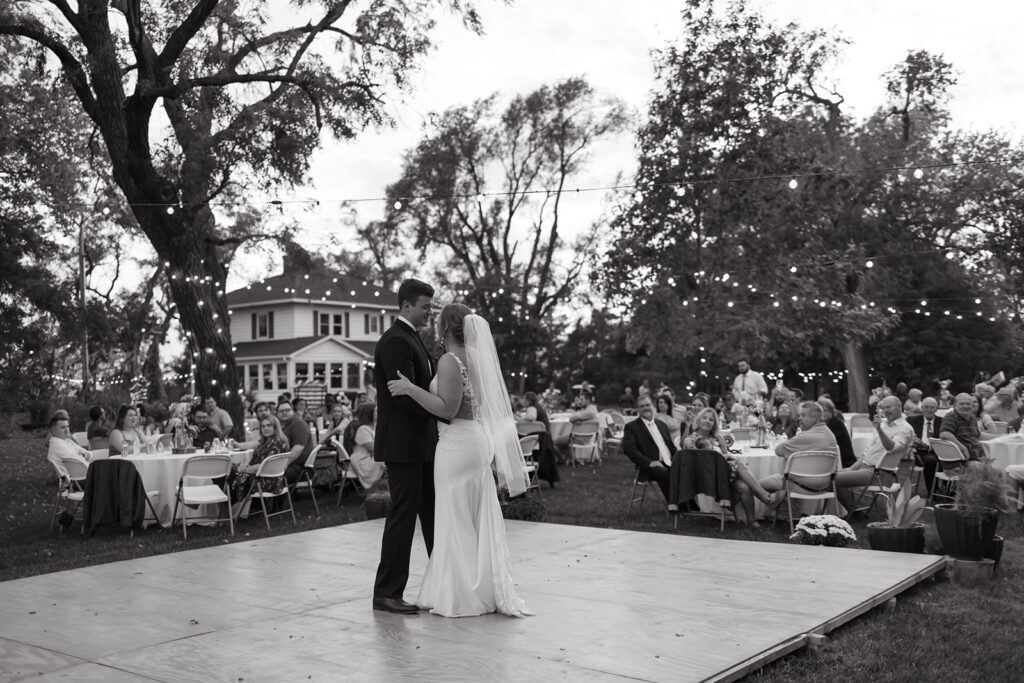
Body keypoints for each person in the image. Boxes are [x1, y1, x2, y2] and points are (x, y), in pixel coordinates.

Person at [387, 302, 532, 618]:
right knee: (473, 515)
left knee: (455, 516)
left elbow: (447, 409)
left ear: (443, 328)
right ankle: (478, 586)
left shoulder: (450, 361)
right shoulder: (478, 358)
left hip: (458, 443)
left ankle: (461, 594)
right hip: (476, 440)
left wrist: (410, 388)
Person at [372, 278, 438, 615]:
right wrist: (442, 409)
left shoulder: (412, 337)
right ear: (406, 306)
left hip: (421, 443)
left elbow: (418, 388)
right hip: (404, 444)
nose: (430, 312)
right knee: (403, 516)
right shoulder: (396, 341)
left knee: (430, 512)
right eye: (425, 306)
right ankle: (387, 592)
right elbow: (404, 395)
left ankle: (443, 582)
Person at [682, 407, 773, 525]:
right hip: (708, 475)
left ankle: (751, 520)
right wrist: (724, 458)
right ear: (698, 420)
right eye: (704, 418)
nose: (707, 421)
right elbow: (702, 459)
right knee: (739, 465)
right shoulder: (690, 440)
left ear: (714, 423)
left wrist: (728, 457)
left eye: (711, 419)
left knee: (744, 486)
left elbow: (725, 454)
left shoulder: (718, 438)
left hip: (724, 473)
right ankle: (763, 494)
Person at [835, 396, 914, 514]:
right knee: (829, 475)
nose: (886, 410)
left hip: (879, 474)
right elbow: (868, 449)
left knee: (832, 480)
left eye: (889, 407)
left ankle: (854, 513)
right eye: (884, 407)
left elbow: (891, 447)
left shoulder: (905, 429)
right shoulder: (884, 423)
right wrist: (853, 467)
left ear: (899, 406)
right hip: (866, 468)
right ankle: (846, 512)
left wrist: (879, 430)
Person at [757, 402, 839, 501]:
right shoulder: (830, 434)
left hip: (798, 486)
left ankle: (769, 504)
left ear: (815, 418)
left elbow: (778, 451)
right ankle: (778, 504)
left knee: (755, 486)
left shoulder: (805, 437)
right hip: (824, 485)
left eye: (803, 415)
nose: (799, 418)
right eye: (800, 415)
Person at [229, 415, 290, 508]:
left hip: (264, 482)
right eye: (263, 426)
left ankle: (226, 504)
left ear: (275, 427)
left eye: (269, 425)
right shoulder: (266, 441)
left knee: (225, 474)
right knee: (228, 469)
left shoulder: (277, 443)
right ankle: (228, 503)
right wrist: (245, 465)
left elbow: (265, 466)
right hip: (268, 479)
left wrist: (244, 470)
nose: (265, 428)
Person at [622, 395, 674, 502]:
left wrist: (679, 459)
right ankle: (675, 504)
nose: (645, 408)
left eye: (647, 405)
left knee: (685, 470)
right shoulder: (632, 427)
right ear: (637, 409)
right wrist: (649, 462)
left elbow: (671, 447)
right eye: (641, 406)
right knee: (665, 473)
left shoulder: (662, 425)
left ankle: (692, 506)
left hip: (669, 461)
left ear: (653, 406)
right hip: (649, 467)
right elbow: (629, 449)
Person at [940, 392, 999, 462]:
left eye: (968, 404)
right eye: (962, 404)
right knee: (996, 467)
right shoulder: (951, 416)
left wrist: (1001, 436)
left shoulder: (972, 417)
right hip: (962, 461)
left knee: (998, 463)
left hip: (978, 457)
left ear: (972, 406)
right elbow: (945, 434)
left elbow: (979, 436)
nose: (965, 406)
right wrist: (963, 448)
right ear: (955, 405)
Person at [340, 404, 384, 488]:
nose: (380, 412)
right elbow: (373, 449)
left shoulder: (375, 427)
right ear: (369, 414)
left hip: (372, 457)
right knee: (388, 461)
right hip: (363, 460)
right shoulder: (362, 429)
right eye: (376, 411)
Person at [906, 397, 942, 495]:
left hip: (939, 451)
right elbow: (907, 436)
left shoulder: (942, 421)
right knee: (931, 461)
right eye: (926, 407)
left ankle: (947, 491)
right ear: (922, 408)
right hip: (921, 452)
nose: (929, 410)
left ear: (937, 409)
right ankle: (932, 492)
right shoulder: (911, 420)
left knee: (950, 460)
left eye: (932, 407)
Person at [277, 400, 314, 484]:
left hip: (300, 468)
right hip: (289, 464)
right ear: (277, 413)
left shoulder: (299, 424)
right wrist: (240, 445)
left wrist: (282, 465)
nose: (284, 413)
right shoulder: (281, 426)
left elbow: (298, 449)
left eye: (287, 410)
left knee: (270, 474)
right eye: (281, 411)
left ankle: (285, 496)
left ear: (293, 411)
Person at [46, 413, 92, 478]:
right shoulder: (58, 445)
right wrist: (84, 455)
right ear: (53, 431)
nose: (67, 430)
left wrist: (83, 455)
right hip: (80, 478)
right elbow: (79, 461)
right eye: (62, 427)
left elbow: (87, 453)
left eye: (67, 426)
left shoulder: (66, 441)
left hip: (84, 474)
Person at [818, 398, 855, 468]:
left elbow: (825, 444)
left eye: (825, 410)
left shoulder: (835, 423)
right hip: (834, 461)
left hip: (844, 463)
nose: (822, 413)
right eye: (820, 411)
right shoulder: (825, 424)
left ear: (831, 412)